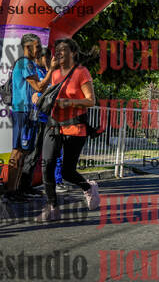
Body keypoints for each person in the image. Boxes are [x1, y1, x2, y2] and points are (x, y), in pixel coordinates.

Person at [36, 38, 100, 222]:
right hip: (54, 125)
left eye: (63, 49)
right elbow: (45, 90)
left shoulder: (81, 72)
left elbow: (91, 101)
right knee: (47, 164)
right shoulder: (54, 72)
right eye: (56, 49)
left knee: (67, 172)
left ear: (73, 53)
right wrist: (38, 95)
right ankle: (52, 207)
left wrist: (70, 102)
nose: (58, 52)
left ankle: (88, 187)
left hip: (75, 127)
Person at [5, 34, 56, 203]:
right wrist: (51, 70)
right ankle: (10, 191)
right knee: (18, 151)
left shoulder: (30, 64)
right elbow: (39, 86)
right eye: (37, 46)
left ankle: (17, 189)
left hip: (29, 112)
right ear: (27, 47)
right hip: (22, 111)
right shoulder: (24, 63)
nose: (40, 49)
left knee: (25, 152)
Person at [18, 48, 53, 199]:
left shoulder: (46, 72)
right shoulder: (35, 72)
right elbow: (38, 91)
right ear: (40, 58)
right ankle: (22, 188)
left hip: (45, 118)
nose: (49, 60)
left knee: (36, 153)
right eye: (47, 58)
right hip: (35, 118)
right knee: (31, 153)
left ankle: (28, 185)